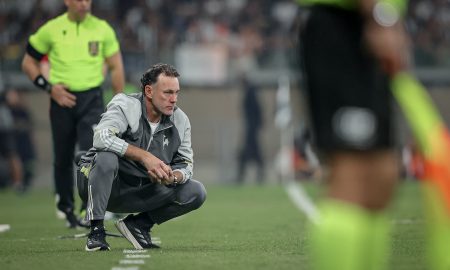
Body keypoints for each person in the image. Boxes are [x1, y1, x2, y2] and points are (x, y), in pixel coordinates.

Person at [297, 0, 408, 269]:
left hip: (365, 23)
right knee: (354, 176)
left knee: (380, 180)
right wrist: (381, 16)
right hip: (346, 24)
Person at [76, 63, 206, 251]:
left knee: (196, 191)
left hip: (142, 190)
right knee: (105, 158)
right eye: (168, 92)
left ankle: (138, 225)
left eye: (176, 93)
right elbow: (101, 137)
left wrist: (173, 176)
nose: (174, 99)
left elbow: (186, 164)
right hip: (107, 185)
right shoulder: (125, 104)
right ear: (149, 91)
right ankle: (96, 231)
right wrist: (145, 157)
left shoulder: (181, 120)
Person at [21, 0, 125, 228]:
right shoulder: (52, 29)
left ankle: (91, 208)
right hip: (62, 98)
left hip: (92, 99)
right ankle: (66, 209)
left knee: (94, 154)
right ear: (66, 1)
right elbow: (28, 63)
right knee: (62, 156)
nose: (84, 3)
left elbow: (116, 66)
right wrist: (49, 88)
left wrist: (119, 105)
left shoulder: (102, 29)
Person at [5, 88, 36, 193]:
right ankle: (16, 183)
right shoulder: (7, 111)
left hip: (24, 142)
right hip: (13, 141)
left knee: (28, 163)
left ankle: (24, 184)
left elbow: (28, 125)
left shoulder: (22, 111)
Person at [236, 76, 265, 184]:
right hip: (252, 128)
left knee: (249, 152)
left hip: (252, 129)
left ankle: (242, 175)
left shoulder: (251, 92)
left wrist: (254, 128)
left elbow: (256, 110)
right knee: (253, 153)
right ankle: (254, 174)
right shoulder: (250, 91)